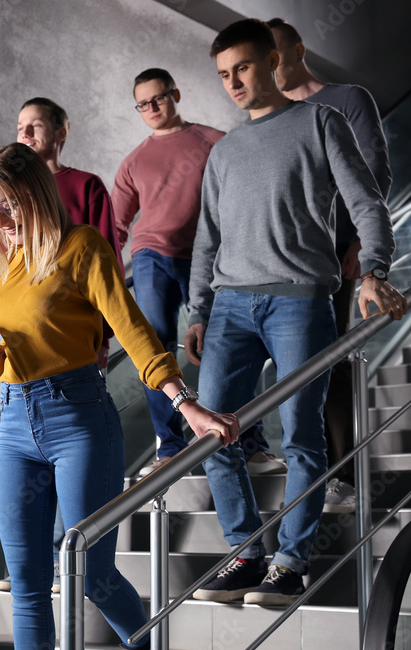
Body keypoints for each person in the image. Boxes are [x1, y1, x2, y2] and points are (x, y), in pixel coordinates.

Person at [0, 143, 238, 650]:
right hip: (17, 429)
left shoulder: (82, 247)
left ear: (35, 195)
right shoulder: (8, 266)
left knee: (87, 566)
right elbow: (8, 359)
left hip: (80, 420)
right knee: (25, 581)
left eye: (10, 206)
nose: (1, 221)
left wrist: (182, 400)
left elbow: (131, 327)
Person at [187, 19, 406, 608]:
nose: (233, 82)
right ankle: (244, 553)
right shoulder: (225, 150)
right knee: (213, 435)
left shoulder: (320, 121)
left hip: (300, 301)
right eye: (224, 74)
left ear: (273, 62)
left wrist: (374, 270)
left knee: (302, 438)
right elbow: (207, 237)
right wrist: (197, 309)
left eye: (244, 68)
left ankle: (290, 563)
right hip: (230, 307)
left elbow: (366, 202)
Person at [0, 96, 124, 593]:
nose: (26, 133)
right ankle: (38, 561)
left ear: (60, 131)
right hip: (15, 381)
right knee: (26, 455)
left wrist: (99, 336)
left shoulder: (83, 192)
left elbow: (108, 277)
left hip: (69, 368)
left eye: (35, 126)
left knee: (89, 567)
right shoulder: (2, 222)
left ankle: (64, 560)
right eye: (19, 126)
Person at [268, 17, 394, 513]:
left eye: (278, 54)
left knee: (332, 360)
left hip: (337, 255)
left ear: (299, 49)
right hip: (286, 263)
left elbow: (376, 173)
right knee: (294, 369)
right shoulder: (273, 117)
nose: (272, 67)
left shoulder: (347, 99)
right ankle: (310, 472)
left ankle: (343, 477)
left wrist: (362, 245)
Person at [112, 69, 260, 477]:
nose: (152, 109)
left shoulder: (213, 141)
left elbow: (245, 196)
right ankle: (170, 446)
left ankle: (249, 439)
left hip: (207, 255)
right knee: (155, 343)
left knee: (228, 342)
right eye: (143, 104)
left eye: (158, 98)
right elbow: (116, 227)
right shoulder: (134, 161)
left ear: (175, 94)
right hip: (150, 256)